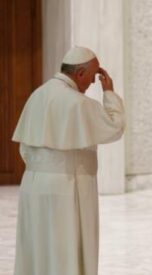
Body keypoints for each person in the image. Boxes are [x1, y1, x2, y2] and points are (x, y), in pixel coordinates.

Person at [12, 46, 125, 275]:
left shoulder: (38, 95)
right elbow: (115, 127)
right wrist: (109, 93)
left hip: (33, 186)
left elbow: (25, 149)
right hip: (67, 187)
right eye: (93, 76)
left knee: (38, 250)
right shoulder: (78, 103)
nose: (94, 82)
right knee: (66, 254)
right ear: (80, 74)